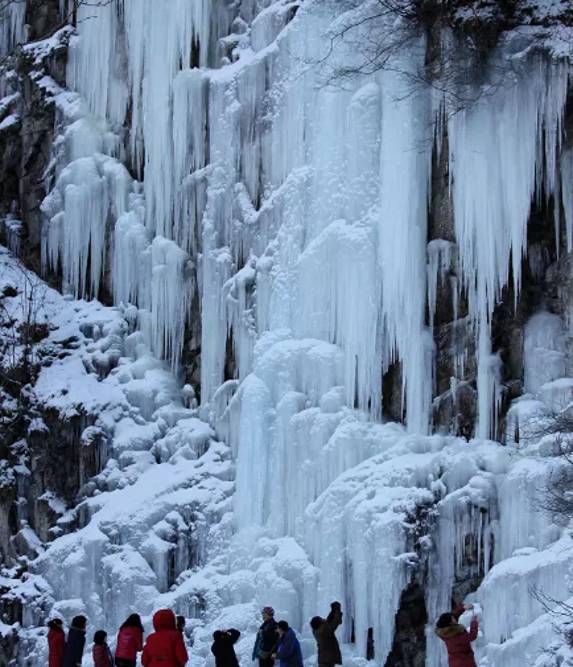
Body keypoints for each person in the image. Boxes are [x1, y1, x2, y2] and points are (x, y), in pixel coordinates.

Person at [310, 601, 343, 667]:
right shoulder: (324, 631)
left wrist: (332, 611)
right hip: (327, 661)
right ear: (320, 623)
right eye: (322, 619)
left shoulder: (317, 631)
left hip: (324, 660)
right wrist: (336, 610)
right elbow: (334, 624)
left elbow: (328, 622)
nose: (324, 619)